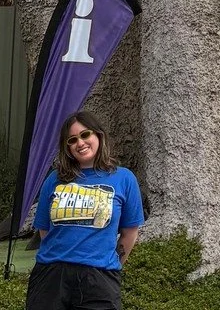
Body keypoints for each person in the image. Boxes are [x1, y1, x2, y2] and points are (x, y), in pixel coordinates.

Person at [26, 111, 145, 310]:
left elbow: (130, 232)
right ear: (67, 148)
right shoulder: (54, 179)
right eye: (72, 140)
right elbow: (44, 230)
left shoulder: (124, 178)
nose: (80, 143)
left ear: (98, 134)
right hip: (51, 278)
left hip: (99, 279)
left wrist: (108, 262)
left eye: (85, 134)